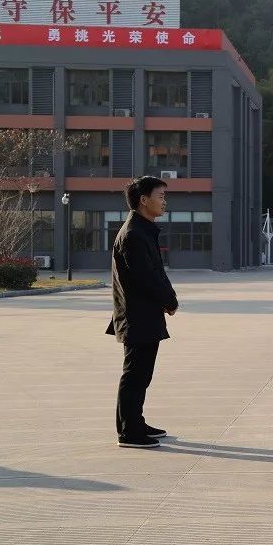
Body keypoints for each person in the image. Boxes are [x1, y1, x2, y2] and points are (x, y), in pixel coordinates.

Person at [107, 176, 178, 449]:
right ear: (143, 200)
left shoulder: (143, 230)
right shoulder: (134, 234)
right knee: (135, 374)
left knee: (141, 374)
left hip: (144, 314)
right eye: (160, 196)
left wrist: (168, 299)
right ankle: (129, 432)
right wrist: (169, 301)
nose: (164, 202)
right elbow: (146, 278)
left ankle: (135, 421)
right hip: (137, 315)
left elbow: (155, 273)